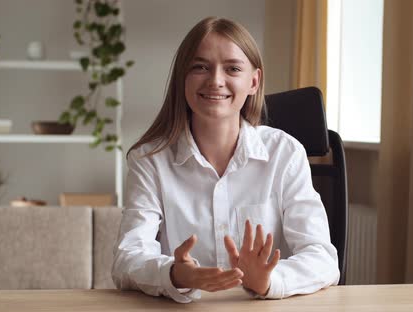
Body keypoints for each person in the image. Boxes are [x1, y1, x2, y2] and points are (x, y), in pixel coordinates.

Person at [112, 16, 339, 303]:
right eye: (200, 67)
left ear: (254, 81)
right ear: (183, 77)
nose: (216, 81)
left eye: (232, 68)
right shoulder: (149, 160)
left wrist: (269, 280)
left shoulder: (285, 153)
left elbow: (322, 258)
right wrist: (174, 274)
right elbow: (126, 259)